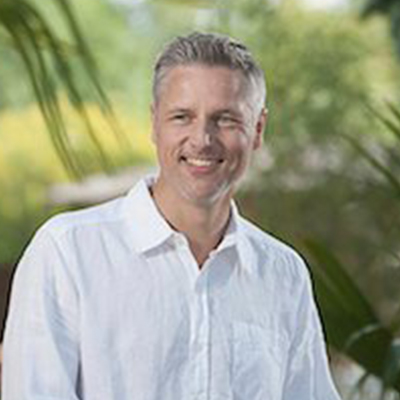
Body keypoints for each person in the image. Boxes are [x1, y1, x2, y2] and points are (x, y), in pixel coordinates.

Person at [2, 32, 342, 400]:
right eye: (182, 116)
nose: (202, 139)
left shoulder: (283, 273)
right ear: (155, 123)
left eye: (226, 119)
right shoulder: (67, 252)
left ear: (258, 129)